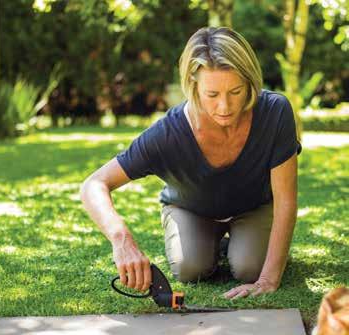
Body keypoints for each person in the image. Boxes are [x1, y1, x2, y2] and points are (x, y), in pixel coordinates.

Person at [80, 27, 301, 300]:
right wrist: (121, 239)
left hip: (253, 207)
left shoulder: (275, 112)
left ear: (250, 82)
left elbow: (286, 200)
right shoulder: (168, 134)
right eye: (212, 95)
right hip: (191, 209)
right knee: (190, 268)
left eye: (236, 91)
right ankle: (216, 243)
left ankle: (243, 243)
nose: (224, 107)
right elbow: (94, 184)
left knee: (250, 268)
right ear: (193, 86)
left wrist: (268, 278)